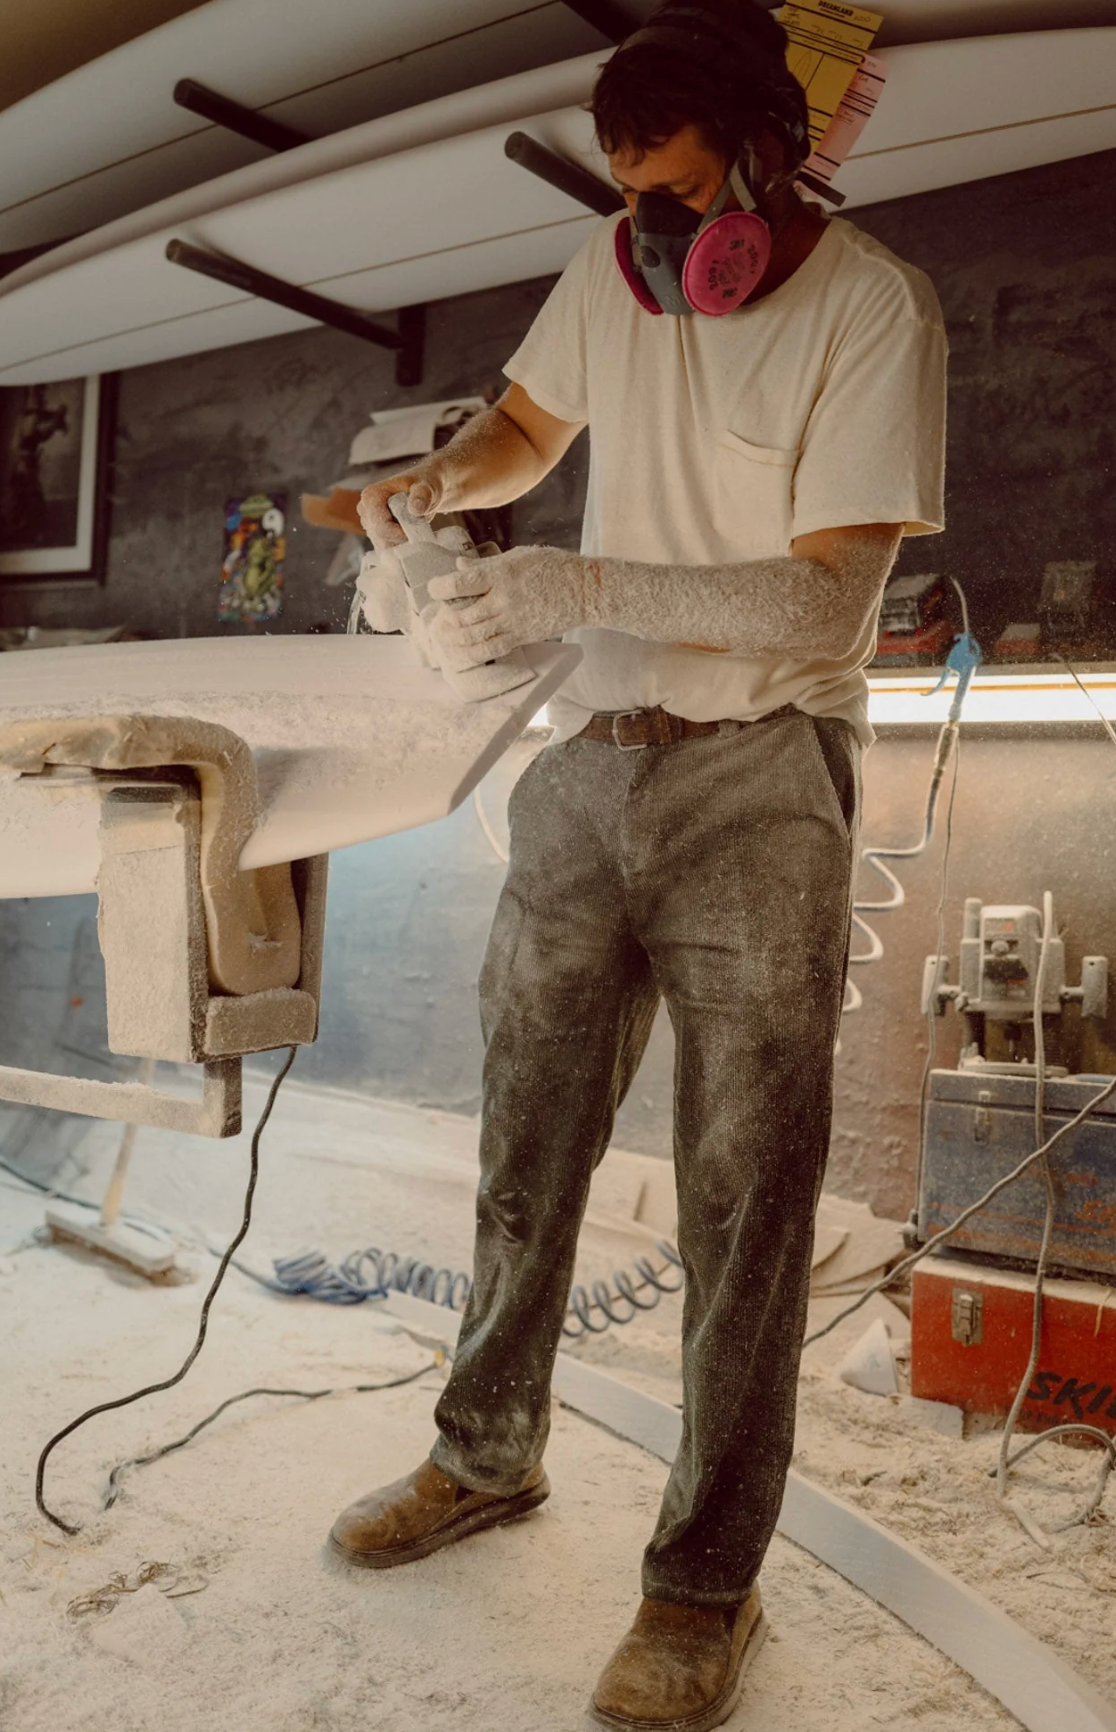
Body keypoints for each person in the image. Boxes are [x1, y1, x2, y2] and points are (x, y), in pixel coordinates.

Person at [332, 3, 947, 1726]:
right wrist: (435, 497)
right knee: (524, 1145)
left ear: (768, 153)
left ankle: (701, 1589)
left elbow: (828, 596)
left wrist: (583, 587)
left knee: (744, 1205)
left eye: (683, 197)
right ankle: (487, 1454)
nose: (663, 238)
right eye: (635, 201)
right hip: (580, 774)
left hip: (761, 780)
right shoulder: (613, 266)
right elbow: (528, 430)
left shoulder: (871, 306)